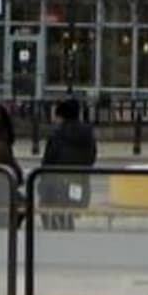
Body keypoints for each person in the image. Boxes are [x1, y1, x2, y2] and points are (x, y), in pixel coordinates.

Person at [38, 97, 99, 231]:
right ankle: (66, 230)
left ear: (61, 116)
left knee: (45, 207)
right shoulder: (88, 133)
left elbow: (49, 160)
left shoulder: (57, 134)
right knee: (67, 212)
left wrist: (42, 182)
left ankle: (54, 232)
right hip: (80, 184)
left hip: (57, 186)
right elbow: (91, 157)